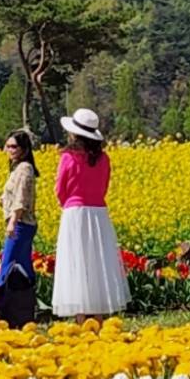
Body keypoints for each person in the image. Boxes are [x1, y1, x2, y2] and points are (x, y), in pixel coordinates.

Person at [52, 108, 130, 323]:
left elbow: (60, 189)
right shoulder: (104, 158)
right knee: (98, 261)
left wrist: (68, 203)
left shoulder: (68, 157)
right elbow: (104, 187)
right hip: (98, 214)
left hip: (75, 213)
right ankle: (99, 316)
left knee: (77, 261)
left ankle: (80, 317)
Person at [0, 131, 39, 325]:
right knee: (24, 268)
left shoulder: (23, 168)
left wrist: (13, 221)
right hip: (24, 224)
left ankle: (5, 309)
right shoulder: (19, 168)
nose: (10, 150)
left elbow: (21, 198)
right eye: (8, 146)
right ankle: (25, 310)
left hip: (20, 224)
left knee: (7, 266)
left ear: (24, 149)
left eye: (14, 146)